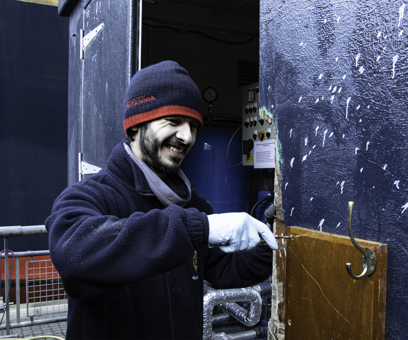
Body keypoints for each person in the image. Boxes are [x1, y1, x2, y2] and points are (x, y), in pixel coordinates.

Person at [45, 60, 278, 340]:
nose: (187, 136)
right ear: (135, 127)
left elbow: (225, 269)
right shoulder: (89, 196)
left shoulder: (193, 205)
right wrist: (198, 229)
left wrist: (269, 244)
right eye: (174, 121)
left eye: (193, 125)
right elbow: (73, 255)